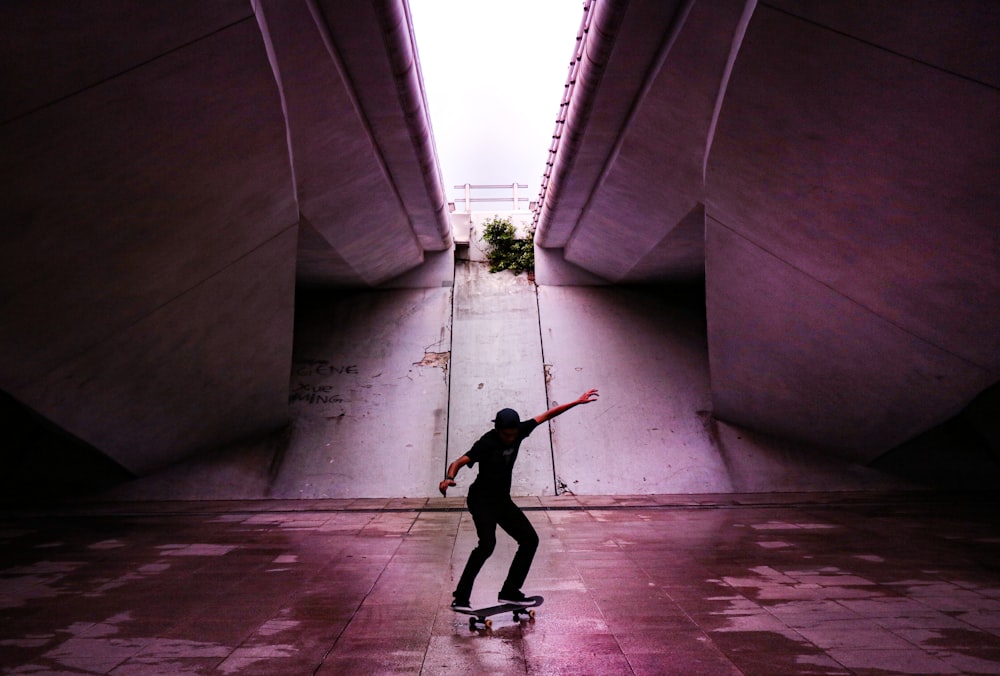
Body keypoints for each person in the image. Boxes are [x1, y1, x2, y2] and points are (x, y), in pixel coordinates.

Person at [439, 389, 599, 610]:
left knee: (530, 540)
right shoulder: (487, 442)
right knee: (486, 545)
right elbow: (458, 462)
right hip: (481, 500)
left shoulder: (521, 430)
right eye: (506, 434)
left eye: (513, 434)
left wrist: (577, 401)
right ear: (497, 429)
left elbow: (548, 415)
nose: (510, 438)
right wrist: (448, 478)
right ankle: (461, 598)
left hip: (502, 502)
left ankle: (510, 592)